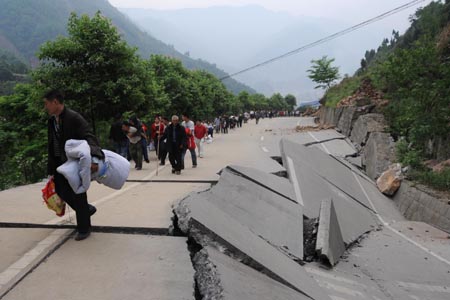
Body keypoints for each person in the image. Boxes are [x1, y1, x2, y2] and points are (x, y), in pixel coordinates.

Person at [44, 90, 103, 241]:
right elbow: (51, 144)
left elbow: (89, 135)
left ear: (55, 102)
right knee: (61, 191)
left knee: (78, 193)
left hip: (73, 162)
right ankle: (86, 210)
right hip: (58, 162)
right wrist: (50, 168)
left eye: (47, 103)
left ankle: (84, 228)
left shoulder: (73, 117)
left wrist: (94, 158)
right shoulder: (52, 121)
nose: (46, 107)